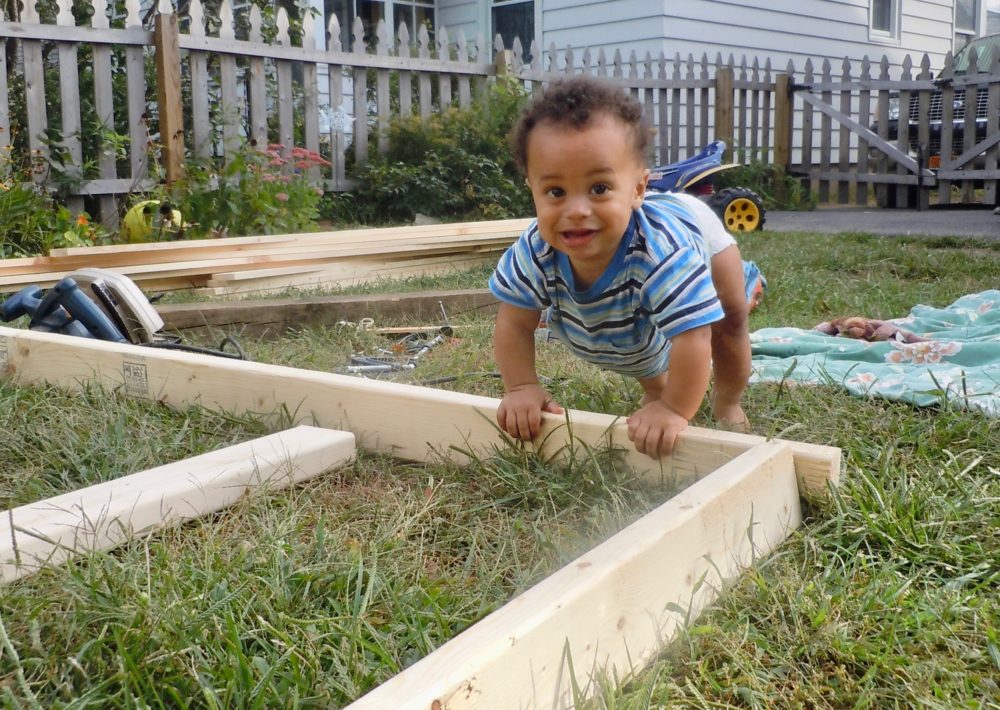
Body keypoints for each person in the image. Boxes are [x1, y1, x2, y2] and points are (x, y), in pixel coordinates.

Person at [489, 76, 753, 459]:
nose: (576, 210)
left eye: (599, 188)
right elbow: (514, 323)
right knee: (629, 331)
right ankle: (656, 388)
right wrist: (521, 387)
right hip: (632, 308)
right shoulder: (535, 250)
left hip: (699, 232)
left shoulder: (662, 255)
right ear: (532, 188)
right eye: (555, 192)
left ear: (638, 189)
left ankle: (727, 402)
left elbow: (693, 337)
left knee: (730, 319)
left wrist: (675, 409)